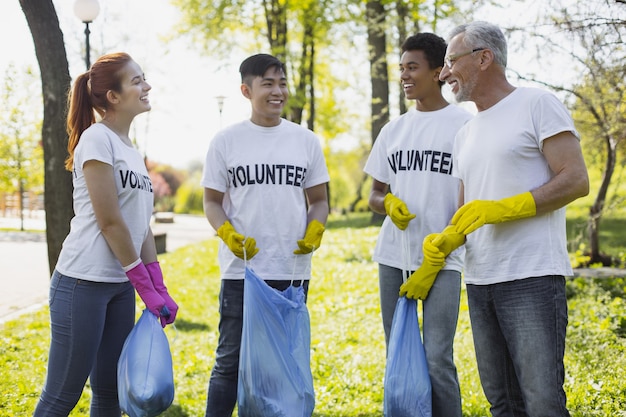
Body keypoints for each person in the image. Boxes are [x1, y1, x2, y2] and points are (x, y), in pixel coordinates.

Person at [403, 21, 589, 416]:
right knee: (502, 402)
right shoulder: (466, 132)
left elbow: (575, 180)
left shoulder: (537, 104)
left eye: (452, 60)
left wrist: (505, 208)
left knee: (542, 402)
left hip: (532, 277)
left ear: (484, 58)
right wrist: (445, 243)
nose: (446, 71)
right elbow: (465, 209)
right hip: (481, 279)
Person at [33, 52, 178, 416]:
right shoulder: (96, 140)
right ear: (113, 97)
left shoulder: (132, 151)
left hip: (119, 285)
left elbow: (139, 222)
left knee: (111, 392)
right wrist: (144, 285)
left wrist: (156, 283)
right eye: (136, 81)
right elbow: (110, 221)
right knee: (62, 395)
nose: (146, 87)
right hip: (82, 283)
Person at [201, 53, 330, 417]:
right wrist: (226, 232)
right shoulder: (226, 141)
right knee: (229, 361)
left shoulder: (305, 141)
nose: (278, 91)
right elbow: (211, 201)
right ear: (246, 90)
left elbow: (319, 200)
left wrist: (314, 229)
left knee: (283, 363)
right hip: (242, 271)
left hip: (291, 271)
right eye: (268, 83)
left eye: (282, 83)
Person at [363, 33, 472, 417]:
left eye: (413, 67)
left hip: (444, 258)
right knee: (399, 350)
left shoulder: (465, 126)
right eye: (401, 69)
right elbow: (373, 195)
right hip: (394, 256)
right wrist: (387, 202)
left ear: (439, 72)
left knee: (437, 356)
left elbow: (471, 198)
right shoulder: (394, 131)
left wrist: (441, 252)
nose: (405, 76)